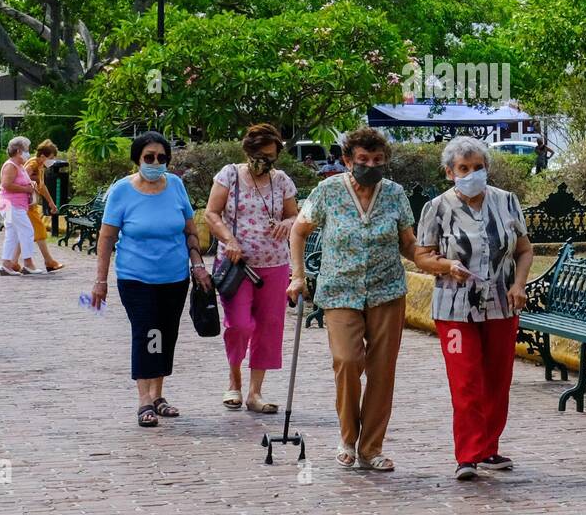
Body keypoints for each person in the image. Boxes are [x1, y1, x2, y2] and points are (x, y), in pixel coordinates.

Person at [289, 128, 417, 472]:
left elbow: (408, 243)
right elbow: (298, 232)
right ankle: (348, 436)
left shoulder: (395, 194)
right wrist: (298, 276)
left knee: (381, 371)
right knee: (346, 361)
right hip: (339, 289)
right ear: (347, 161)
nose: (371, 165)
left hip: (386, 290)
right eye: (363, 160)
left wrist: (434, 259)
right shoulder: (327, 191)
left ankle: (371, 447)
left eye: (377, 160)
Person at [414, 136, 534, 480]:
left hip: (501, 303)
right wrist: (446, 266)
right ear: (450, 172)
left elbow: (524, 250)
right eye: (463, 168)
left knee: (497, 380)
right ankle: (467, 455)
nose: (471, 174)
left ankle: (488, 448)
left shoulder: (507, 201)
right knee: (466, 380)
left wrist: (519, 284)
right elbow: (423, 254)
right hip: (455, 308)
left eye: (478, 167)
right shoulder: (436, 207)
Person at [91, 131, 211, 427]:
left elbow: (190, 231)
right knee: (147, 332)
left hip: (174, 276)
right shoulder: (121, 191)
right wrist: (100, 280)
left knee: (166, 332)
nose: (156, 162)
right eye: (149, 157)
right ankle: (144, 400)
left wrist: (197, 265)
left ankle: (159, 395)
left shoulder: (176, 186)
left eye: (162, 158)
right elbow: (107, 238)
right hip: (135, 276)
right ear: (137, 159)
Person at [203, 123, 299, 412]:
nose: (265, 162)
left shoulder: (281, 180)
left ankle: (255, 392)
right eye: (260, 155)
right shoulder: (229, 175)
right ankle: (234, 381)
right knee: (240, 325)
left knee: (270, 327)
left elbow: (296, 216)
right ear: (248, 152)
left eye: (271, 157)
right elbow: (211, 212)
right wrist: (229, 240)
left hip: (275, 264)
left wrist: (286, 223)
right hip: (237, 265)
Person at [11, 139, 64, 273]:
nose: (52, 161)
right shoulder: (33, 164)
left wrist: (51, 202)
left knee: (23, 233)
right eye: (51, 158)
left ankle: (13, 262)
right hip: (28, 205)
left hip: (29, 205)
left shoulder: (39, 166)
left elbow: (42, 187)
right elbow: (23, 179)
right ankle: (48, 261)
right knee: (39, 230)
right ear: (42, 156)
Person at [0, 136, 42, 276]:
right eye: (26, 150)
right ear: (18, 151)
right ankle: (28, 263)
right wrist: (26, 190)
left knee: (13, 234)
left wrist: (30, 185)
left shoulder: (19, 166)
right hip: (12, 204)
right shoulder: (11, 166)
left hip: (15, 205)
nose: (28, 153)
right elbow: (6, 185)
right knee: (27, 231)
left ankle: (6, 264)